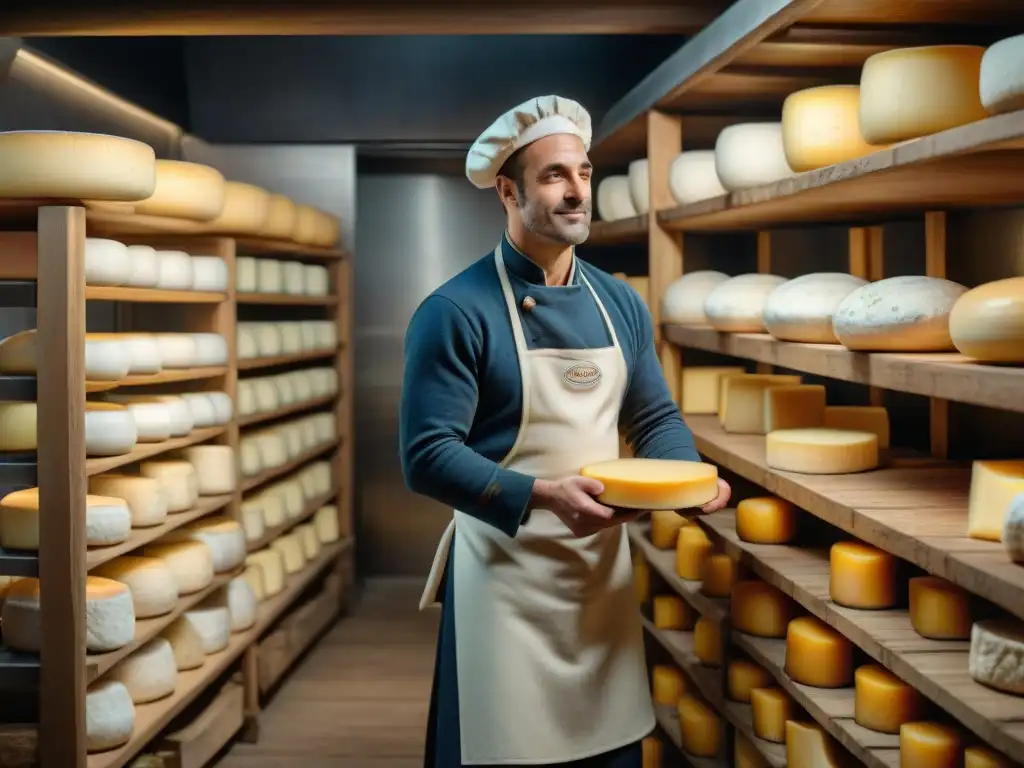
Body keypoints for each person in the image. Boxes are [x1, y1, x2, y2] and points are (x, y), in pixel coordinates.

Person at [399, 94, 731, 768]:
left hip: (597, 577)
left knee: (607, 749)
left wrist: (688, 481)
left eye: (583, 172)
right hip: (504, 580)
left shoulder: (618, 303)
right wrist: (547, 496)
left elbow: (655, 418)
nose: (577, 191)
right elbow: (427, 457)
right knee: (501, 747)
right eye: (554, 175)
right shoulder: (456, 311)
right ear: (507, 190)